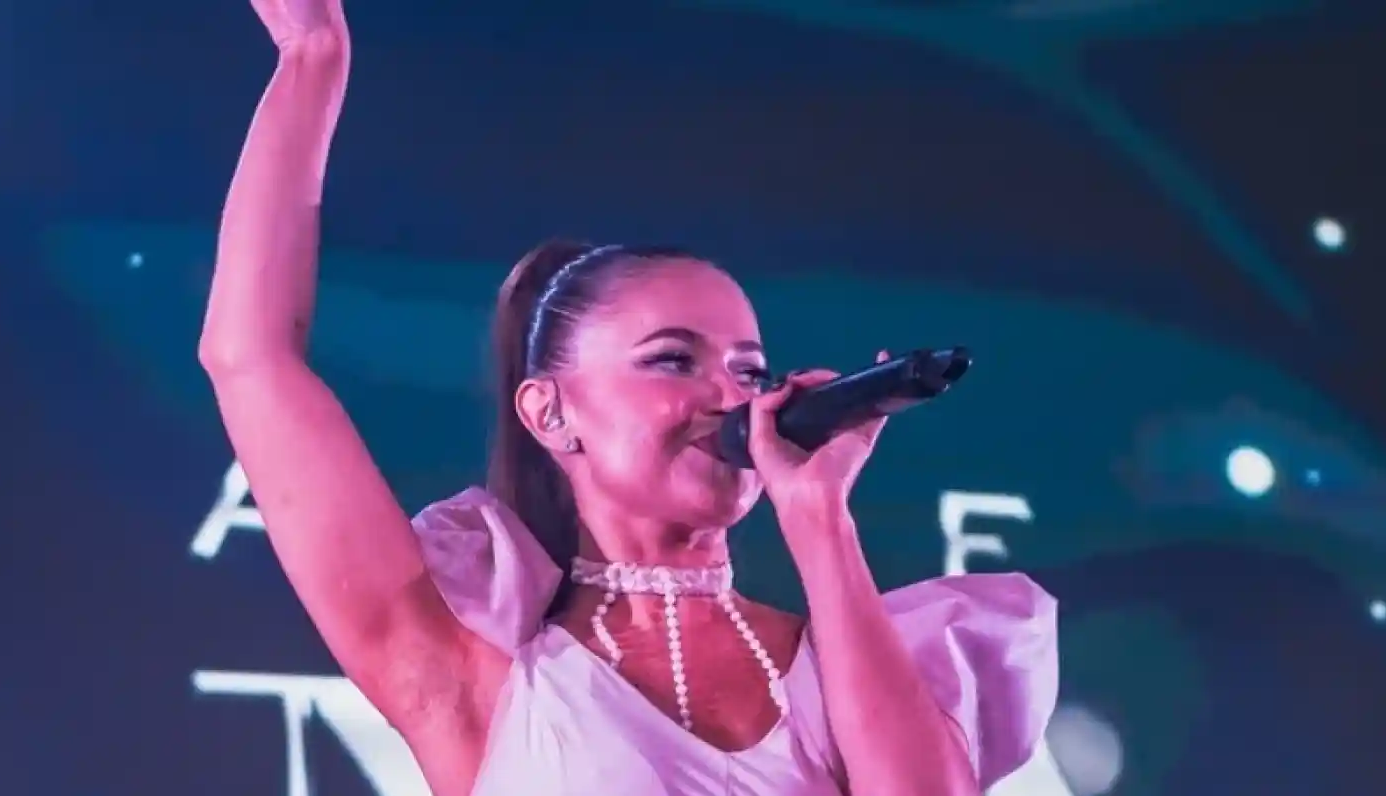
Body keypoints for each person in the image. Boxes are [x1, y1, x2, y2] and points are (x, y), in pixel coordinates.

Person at [196, 0, 1058, 793]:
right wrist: (312, 58)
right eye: (672, 361)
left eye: (750, 370)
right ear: (549, 412)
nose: (729, 391)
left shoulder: (847, 663)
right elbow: (252, 360)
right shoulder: (479, 672)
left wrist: (820, 519)